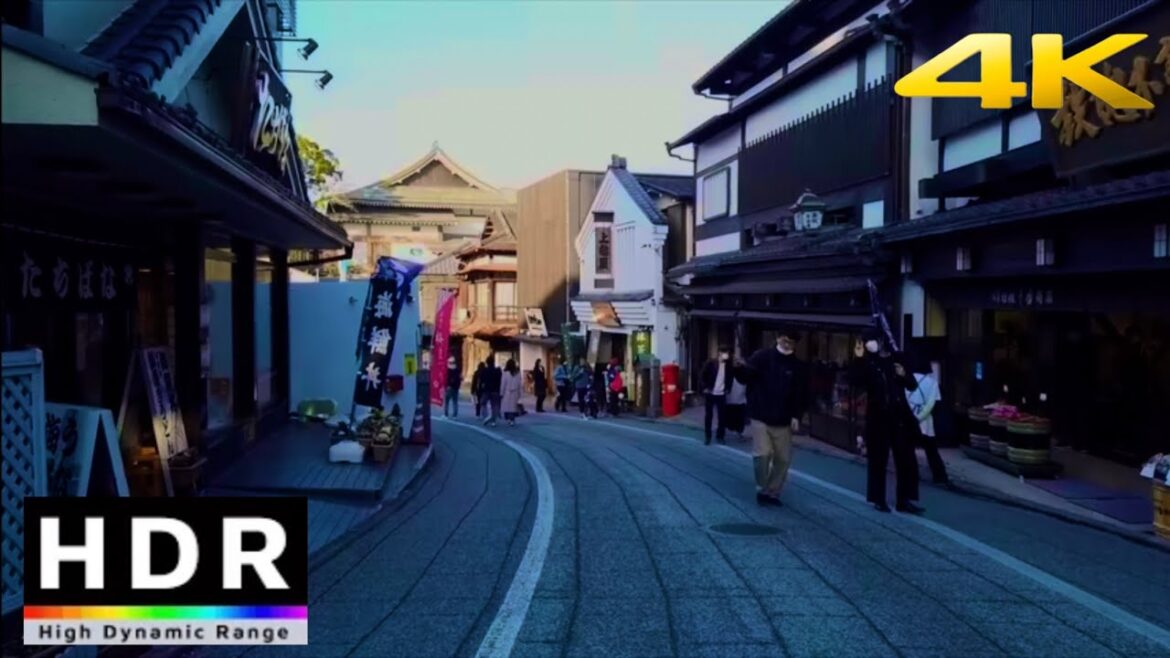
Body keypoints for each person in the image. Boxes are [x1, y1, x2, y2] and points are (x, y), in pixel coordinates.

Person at [850, 328, 923, 514]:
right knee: (878, 459)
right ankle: (878, 498)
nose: (868, 344)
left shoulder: (896, 359)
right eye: (865, 342)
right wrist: (858, 358)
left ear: (880, 341)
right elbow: (856, 382)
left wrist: (903, 374)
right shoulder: (868, 363)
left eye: (870, 340)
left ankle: (904, 500)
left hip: (899, 416)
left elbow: (912, 385)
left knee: (905, 458)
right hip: (878, 416)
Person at [738, 329, 808, 506]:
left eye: (791, 342)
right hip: (760, 414)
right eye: (784, 340)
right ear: (777, 338)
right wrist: (739, 368)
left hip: (783, 418)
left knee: (783, 459)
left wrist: (796, 416)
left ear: (795, 344)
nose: (787, 344)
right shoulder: (762, 357)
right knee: (762, 455)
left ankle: (773, 491)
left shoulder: (798, 366)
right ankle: (762, 488)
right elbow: (746, 377)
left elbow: (800, 394)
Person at [907, 357, 951, 486]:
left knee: (909, 449)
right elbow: (932, 404)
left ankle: (912, 474)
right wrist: (920, 416)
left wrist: (911, 417)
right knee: (931, 451)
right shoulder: (932, 383)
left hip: (908, 419)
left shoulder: (907, 379)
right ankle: (940, 476)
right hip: (925, 423)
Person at [700, 346, 733, 445]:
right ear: (719, 353)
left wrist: (728, 389)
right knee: (709, 416)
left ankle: (720, 436)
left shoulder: (728, 365)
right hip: (710, 393)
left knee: (722, 416)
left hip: (721, 394)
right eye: (725, 353)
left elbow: (730, 378)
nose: (727, 355)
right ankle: (707, 436)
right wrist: (705, 388)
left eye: (727, 353)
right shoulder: (711, 363)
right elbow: (702, 375)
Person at [725, 368, 749, 440]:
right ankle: (734, 430)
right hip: (731, 400)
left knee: (740, 417)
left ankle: (739, 432)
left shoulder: (744, 377)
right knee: (733, 416)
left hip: (741, 400)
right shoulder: (730, 375)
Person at [480, 355, 503, 427]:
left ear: (487, 362)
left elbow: (481, 380)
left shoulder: (484, 370)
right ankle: (493, 421)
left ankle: (486, 416)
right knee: (495, 406)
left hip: (486, 389)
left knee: (483, 403)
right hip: (496, 390)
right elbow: (500, 381)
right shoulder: (498, 371)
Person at [501, 359, 523, 426]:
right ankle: (512, 419)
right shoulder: (517, 373)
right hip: (515, 392)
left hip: (507, 392)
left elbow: (503, 384)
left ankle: (509, 419)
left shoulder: (505, 373)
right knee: (513, 407)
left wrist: (501, 393)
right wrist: (520, 393)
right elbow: (520, 384)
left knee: (508, 407)